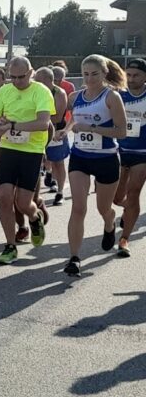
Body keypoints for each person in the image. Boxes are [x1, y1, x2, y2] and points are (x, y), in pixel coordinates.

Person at [55, 55, 126, 277]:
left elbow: (121, 132)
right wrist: (65, 131)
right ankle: (74, 258)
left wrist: (92, 128)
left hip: (106, 158)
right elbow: (74, 120)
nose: (89, 78)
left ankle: (109, 223)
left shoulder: (111, 97)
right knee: (78, 208)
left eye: (94, 74)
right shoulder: (75, 97)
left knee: (103, 208)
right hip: (80, 158)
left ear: (104, 73)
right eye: (85, 74)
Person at [0, 56, 54, 264]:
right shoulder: (5, 91)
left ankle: (34, 217)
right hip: (8, 150)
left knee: (23, 203)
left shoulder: (41, 91)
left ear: (31, 73)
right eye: (12, 77)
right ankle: (10, 246)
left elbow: (43, 123)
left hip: (32, 151)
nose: (16, 81)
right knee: (5, 198)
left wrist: (12, 125)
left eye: (21, 77)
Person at [115, 58, 146, 258]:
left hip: (142, 153)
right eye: (128, 75)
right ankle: (128, 211)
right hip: (119, 151)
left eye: (136, 75)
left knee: (133, 193)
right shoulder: (118, 95)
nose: (131, 79)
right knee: (117, 198)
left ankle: (124, 239)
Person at [35, 67, 70, 207]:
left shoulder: (59, 93)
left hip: (56, 132)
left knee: (58, 162)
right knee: (40, 161)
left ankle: (60, 192)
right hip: (38, 131)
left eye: (38, 80)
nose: (34, 82)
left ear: (47, 80)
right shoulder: (35, 91)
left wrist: (37, 119)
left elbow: (57, 117)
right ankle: (37, 191)